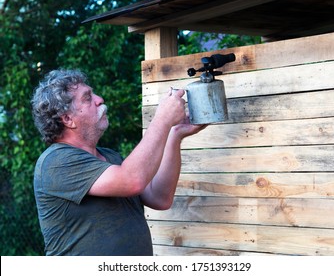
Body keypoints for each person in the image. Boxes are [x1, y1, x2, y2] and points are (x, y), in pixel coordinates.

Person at [31, 69, 206, 256]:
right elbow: (132, 180)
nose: (99, 99)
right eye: (88, 98)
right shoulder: (56, 161)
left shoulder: (110, 158)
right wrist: (162, 119)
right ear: (67, 119)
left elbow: (159, 197)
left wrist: (175, 133)